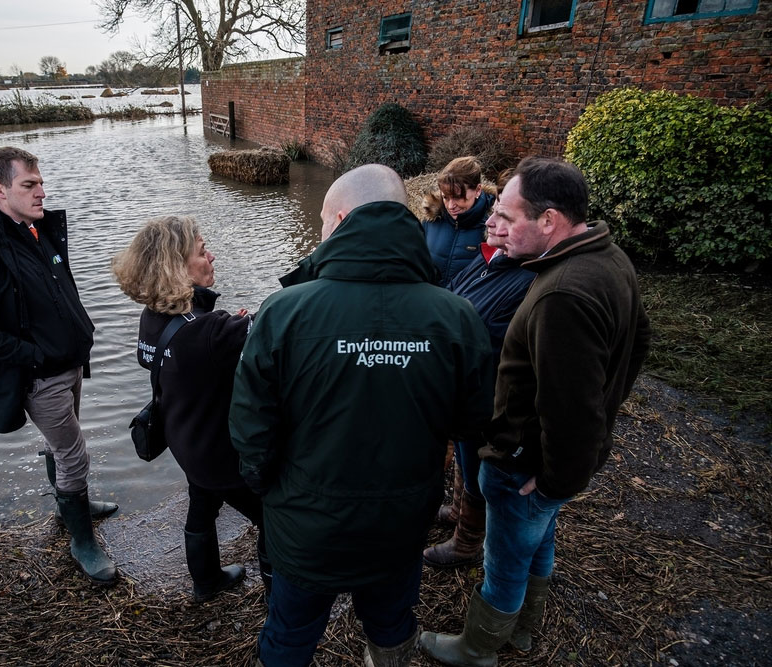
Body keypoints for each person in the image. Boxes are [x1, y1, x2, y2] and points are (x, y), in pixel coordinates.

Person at [229, 164, 494, 667]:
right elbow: (471, 422)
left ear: (344, 218)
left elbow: (250, 429)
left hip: (306, 524)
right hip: (400, 521)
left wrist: (268, 489)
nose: (321, 232)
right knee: (392, 623)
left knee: (290, 633)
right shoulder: (456, 316)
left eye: (324, 220)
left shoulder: (283, 312)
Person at [420, 157, 651, 664]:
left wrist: (552, 480)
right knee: (537, 539)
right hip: (546, 463)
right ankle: (524, 628)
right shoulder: (610, 259)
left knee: (504, 559)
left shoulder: (561, 293)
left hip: (524, 462)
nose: (494, 222)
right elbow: (637, 349)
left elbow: (571, 408)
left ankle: (478, 646)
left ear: (549, 221)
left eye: (508, 213)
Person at [0, 146, 118, 586]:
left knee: (61, 448)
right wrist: (34, 355)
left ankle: (70, 507)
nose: (42, 191)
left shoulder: (39, 231)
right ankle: (82, 542)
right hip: (39, 377)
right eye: (30, 185)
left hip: (71, 364)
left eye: (41, 182)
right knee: (73, 453)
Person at [112, 216, 271, 603]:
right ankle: (279, 605)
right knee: (274, 520)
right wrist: (235, 329)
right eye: (202, 251)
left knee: (201, 506)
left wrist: (227, 332)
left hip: (186, 440)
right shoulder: (210, 332)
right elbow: (276, 323)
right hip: (222, 454)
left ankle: (206, 581)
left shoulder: (153, 319)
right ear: (177, 267)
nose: (211, 256)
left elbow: (181, 359)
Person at [424, 169, 536, 570]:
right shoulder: (492, 259)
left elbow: (492, 338)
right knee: (464, 452)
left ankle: (467, 542)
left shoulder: (525, 277)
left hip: (484, 392)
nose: (490, 224)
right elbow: (457, 297)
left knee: (474, 459)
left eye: (503, 219)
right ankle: (458, 512)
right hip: (466, 384)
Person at [421, 156, 497, 288]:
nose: (450, 206)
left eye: (458, 198)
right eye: (445, 197)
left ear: (478, 190)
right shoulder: (432, 220)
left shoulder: (494, 228)